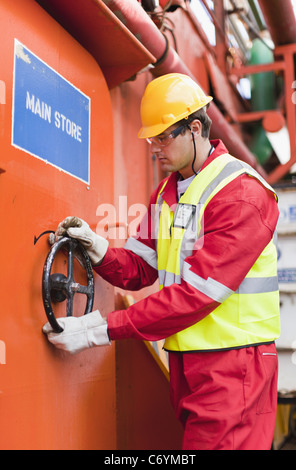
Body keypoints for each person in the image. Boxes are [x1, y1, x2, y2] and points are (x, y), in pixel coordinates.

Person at [43, 73, 280, 450]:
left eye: (163, 136)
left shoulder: (241, 195)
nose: (154, 146)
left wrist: (97, 331)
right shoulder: (167, 193)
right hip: (189, 365)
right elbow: (139, 269)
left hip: (235, 366)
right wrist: (97, 246)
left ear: (195, 128)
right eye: (150, 138)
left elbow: (195, 297)